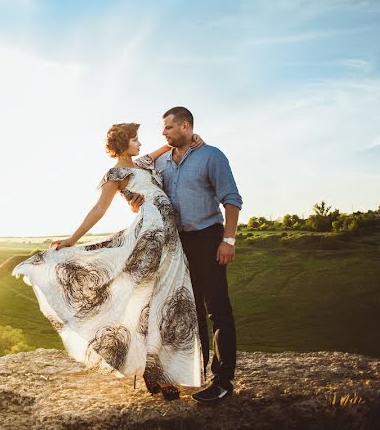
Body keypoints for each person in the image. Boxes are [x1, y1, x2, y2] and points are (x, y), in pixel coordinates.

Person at [12, 123, 204, 400]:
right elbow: (99, 209)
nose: (139, 143)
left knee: (171, 299)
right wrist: (72, 238)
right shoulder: (115, 173)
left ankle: (165, 370)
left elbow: (173, 146)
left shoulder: (145, 162)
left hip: (172, 240)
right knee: (147, 301)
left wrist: (192, 139)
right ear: (123, 142)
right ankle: (155, 374)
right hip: (150, 234)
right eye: (135, 139)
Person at [126, 107, 242, 404]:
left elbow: (231, 199)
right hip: (176, 243)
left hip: (208, 237)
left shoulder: (212, 156)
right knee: (189, 310)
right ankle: (197, 373)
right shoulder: (161, 161)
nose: (163, 132)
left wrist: (228, 240)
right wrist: (134, 200)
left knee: (217, 309)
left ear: (185, 126)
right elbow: (130, 170)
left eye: (168, 128)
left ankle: (223, 380)